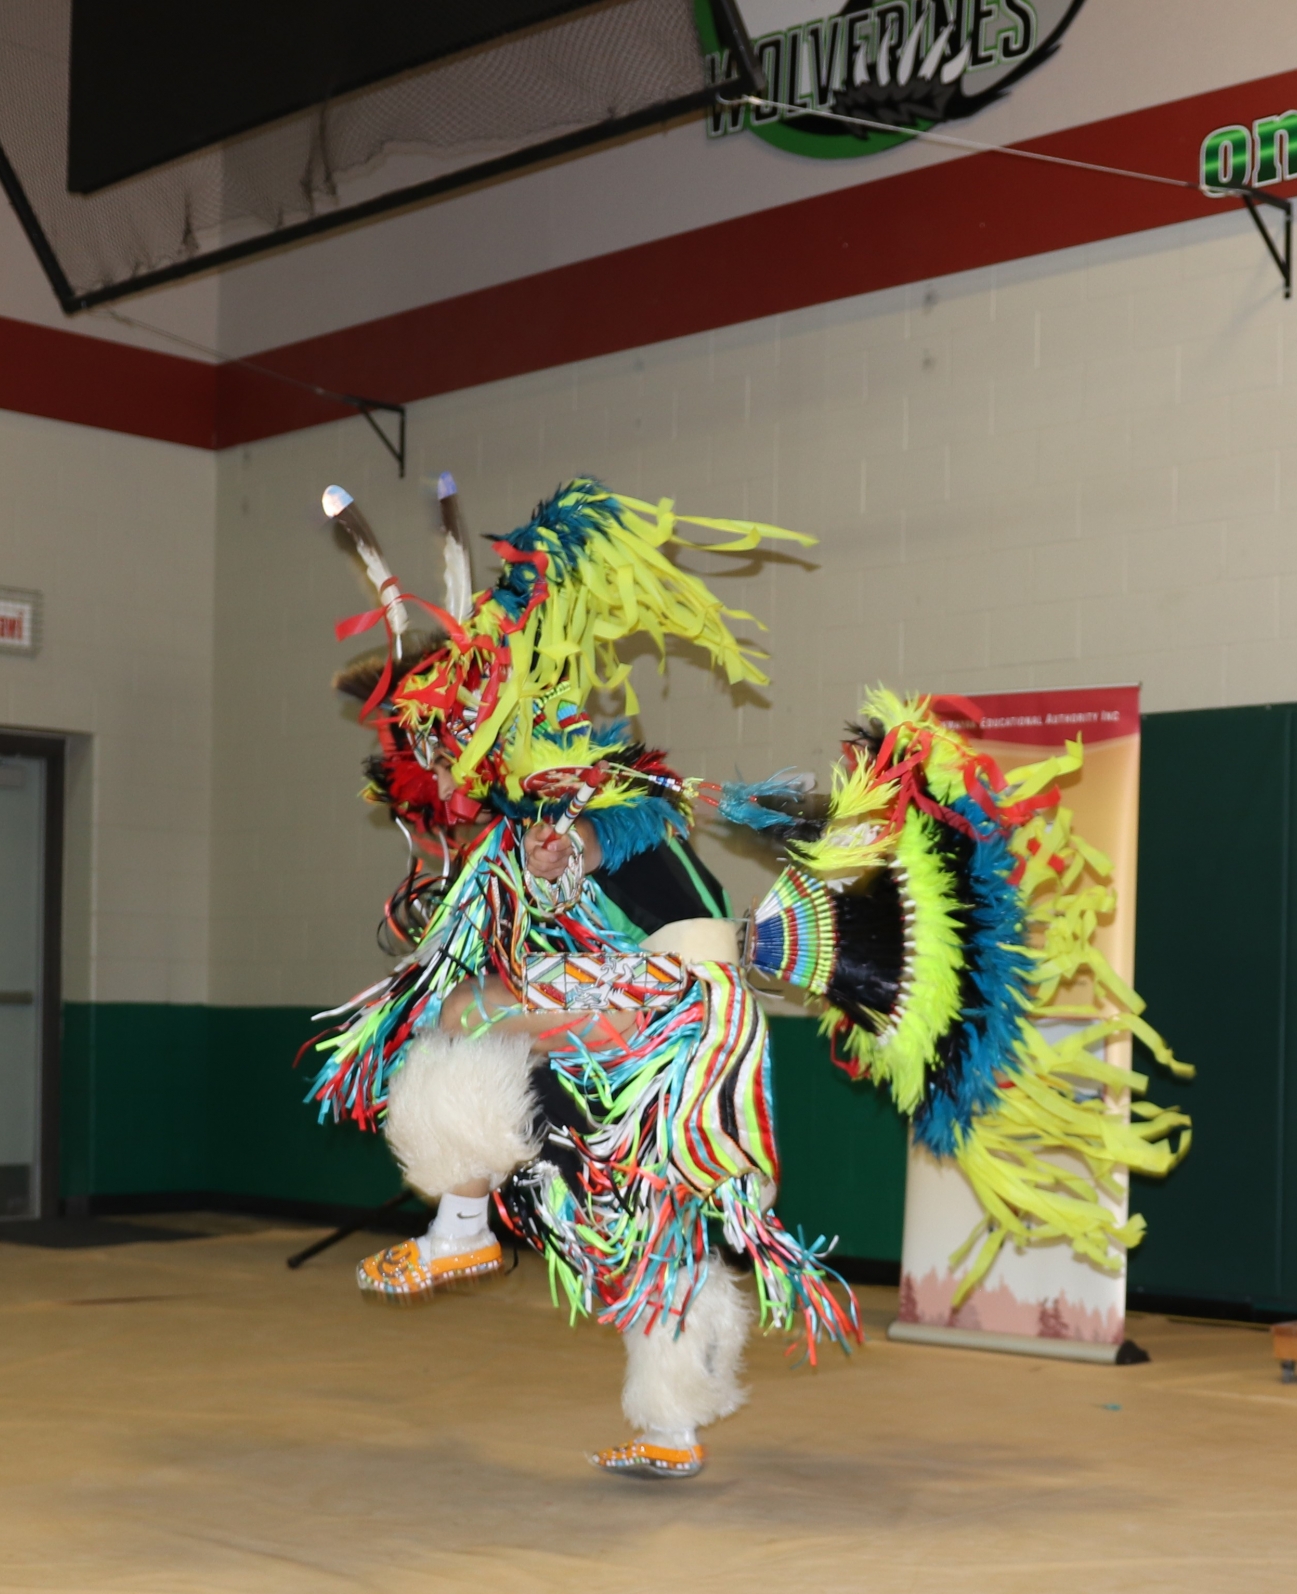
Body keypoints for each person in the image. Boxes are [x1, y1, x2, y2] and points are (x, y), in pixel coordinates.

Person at [311, 478, 1194, 1481]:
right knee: (642, 1210)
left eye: (433, 727)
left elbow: (638, 824)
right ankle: (669, 1425)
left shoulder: (590, 781)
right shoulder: (520, 816)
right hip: (675, 1017)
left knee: (467, 1019)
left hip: (671, 1006)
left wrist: (581, 846)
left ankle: (462, 1225)